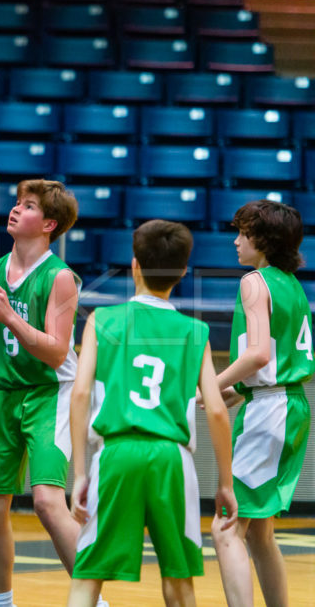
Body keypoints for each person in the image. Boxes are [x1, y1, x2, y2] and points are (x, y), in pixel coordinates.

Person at [67, 219, 238, 607]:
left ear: (134, 266)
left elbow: (79, 395)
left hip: (116, 454)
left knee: (88, 575)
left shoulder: (101, 321)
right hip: (171, 459)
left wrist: (79, 473)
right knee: (179, 579)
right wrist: (225, 483)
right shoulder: (195, 331)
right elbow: (215, 410)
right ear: (181, 272)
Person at [0, 179, 90, 607]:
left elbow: (57, 352)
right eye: (17, 203)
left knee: (47, 501)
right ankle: (0, 601)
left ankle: (92, 598)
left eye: (29, 206)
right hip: (5, 393)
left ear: (49, 224)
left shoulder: (60, 279)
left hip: (50, 393)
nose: (16, 210)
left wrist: (7, 316)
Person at [210, 200, 314, 607]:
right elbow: (275, 361)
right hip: (288, 405)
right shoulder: (292, 284)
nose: (236, 241)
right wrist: (235, 392)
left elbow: (257, 356)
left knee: (226, 527)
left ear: (264, 240)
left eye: (243, 233)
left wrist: (209, 384)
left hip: (271, 410)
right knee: (259, 530)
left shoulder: (255, 281)